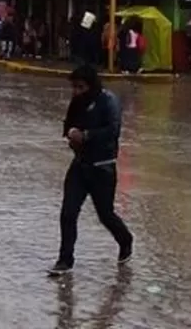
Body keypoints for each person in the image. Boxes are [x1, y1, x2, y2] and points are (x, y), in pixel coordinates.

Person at [49, 64, 134, 277]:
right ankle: (65, 260)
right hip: (80, 166)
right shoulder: (76, 102)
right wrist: (71, 136)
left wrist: (86, 136)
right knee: (68, 213)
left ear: (91, 85)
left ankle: (125, 239)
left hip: (102, 168)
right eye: (74, 87)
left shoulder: (108, 102)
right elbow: (68, 125)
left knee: (105, 214)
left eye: (80, 87)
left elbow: (112, 131)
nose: (76, 92)